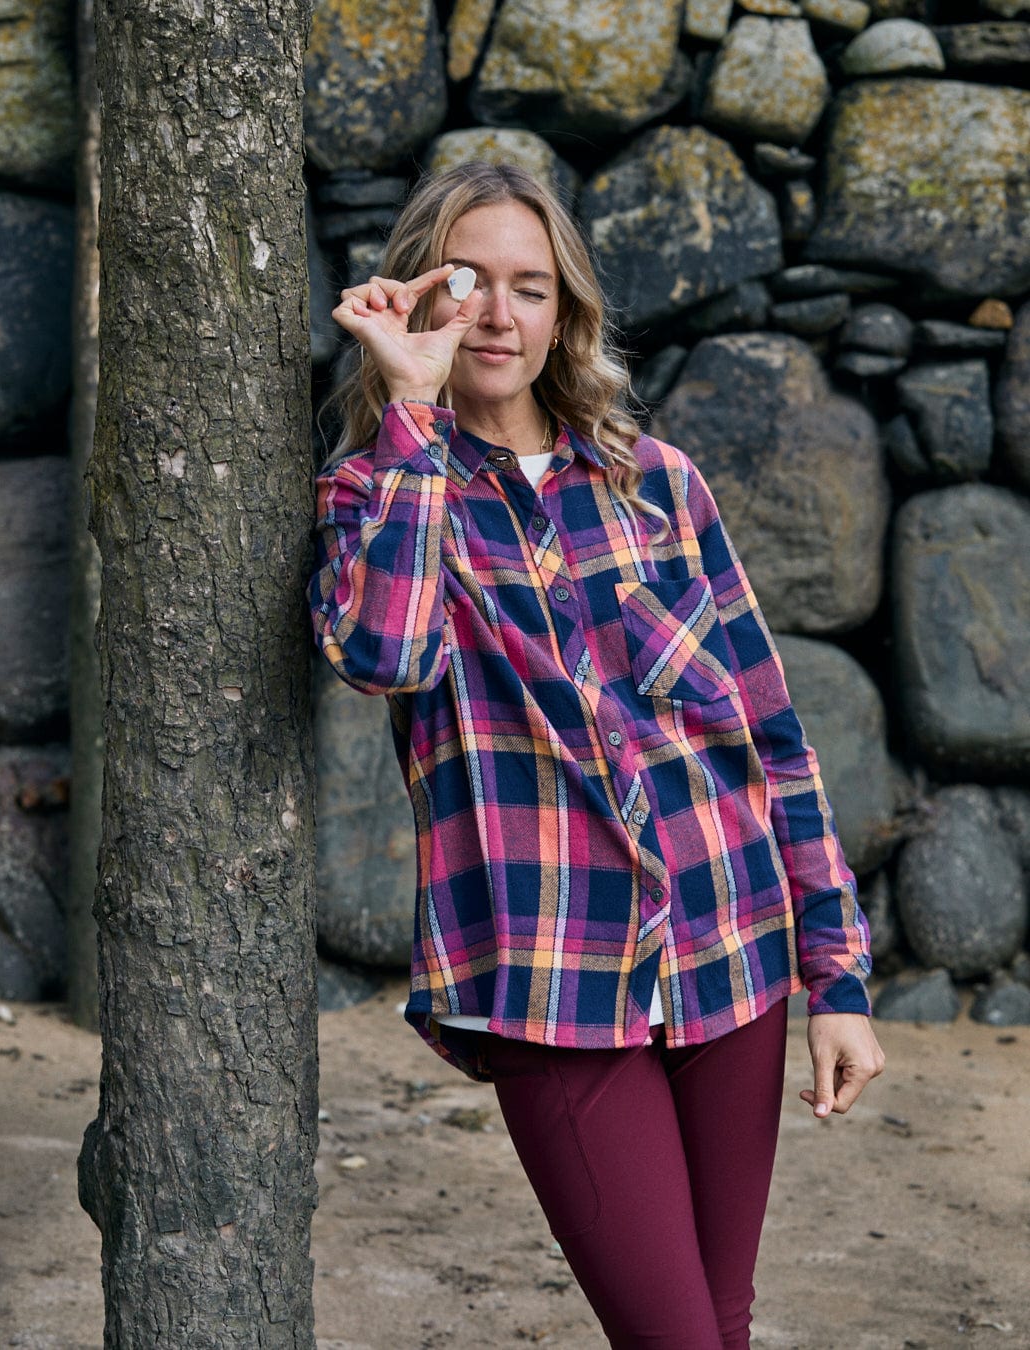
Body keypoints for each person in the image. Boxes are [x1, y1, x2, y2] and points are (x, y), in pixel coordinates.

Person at [308, 161, 885, 1350]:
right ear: (420, 295)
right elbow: (385, 653)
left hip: (732, 952)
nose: (498, 318)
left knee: (719, 1325)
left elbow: (770, 738)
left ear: (567, 310)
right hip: (550, 981)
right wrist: (410, 410)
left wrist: (836, 979)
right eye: (466, 285)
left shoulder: (656, 485)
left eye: (531, 288)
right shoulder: (376, 492)